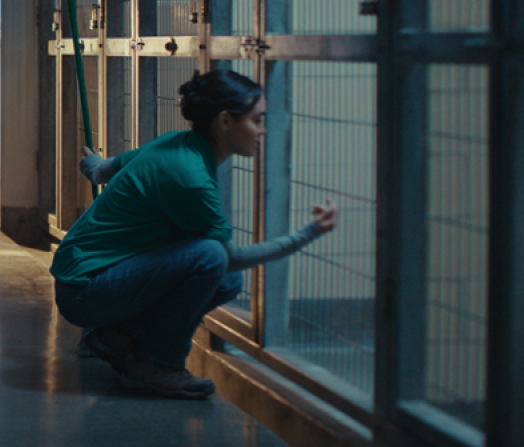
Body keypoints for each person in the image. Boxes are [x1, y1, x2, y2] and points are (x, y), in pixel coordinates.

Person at [51, 68, 338, 399]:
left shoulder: (177, 143)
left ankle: (118, 336)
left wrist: (91, 163)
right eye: (257, 120)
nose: (263, 130)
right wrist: (308, 234)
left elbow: (102, 171)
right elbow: (229, 257)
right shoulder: (190, 176)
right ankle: (158, 365)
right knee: (212, 257)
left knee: (224, 279)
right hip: (86, 292)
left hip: (87, 280)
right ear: (226, 121)